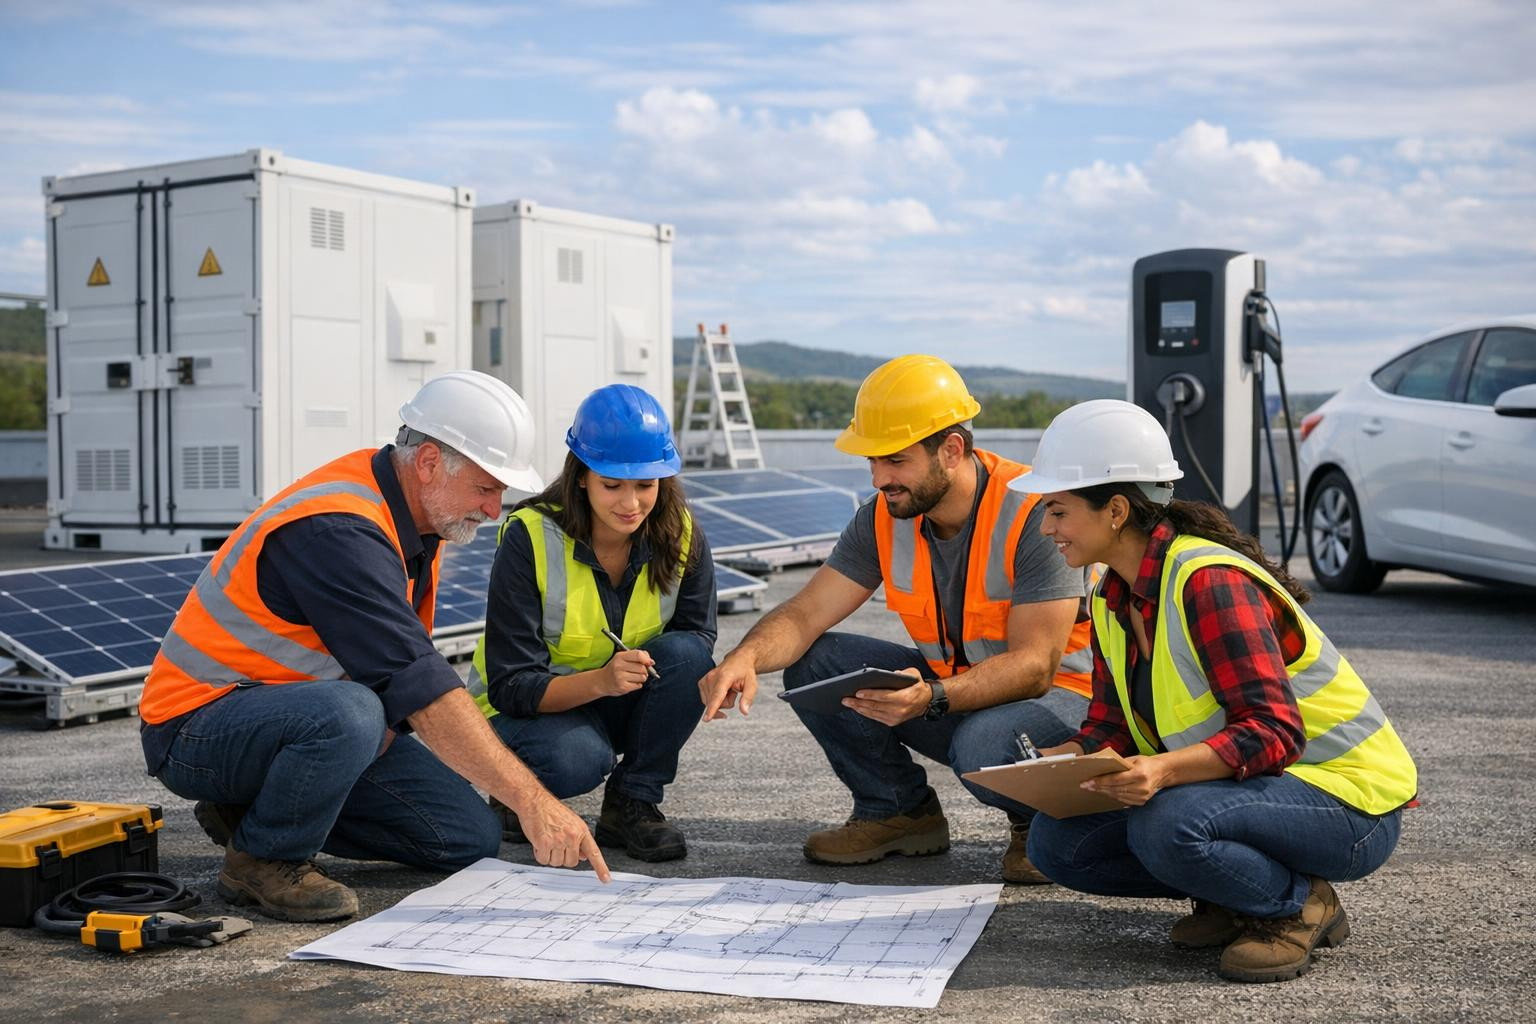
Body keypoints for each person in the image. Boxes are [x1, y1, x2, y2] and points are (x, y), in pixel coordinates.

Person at [138, 371, 611, 923]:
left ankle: (254, 810)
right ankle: (264, 858)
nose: (492, 509)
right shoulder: (339, 531)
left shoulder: (417, 518)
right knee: (354, 712)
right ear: (430, 462)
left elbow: (406, 673)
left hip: (304, 726)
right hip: (196, 729)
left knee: (467, 837)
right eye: (486, 487)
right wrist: (534, 804)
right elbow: (418, 683)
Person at [1015, 399, 1417, 983]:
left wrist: (1162, 772)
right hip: (1252, 794)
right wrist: (1062, 764)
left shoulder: (1208, 582)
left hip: (1348, 803)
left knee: (1165, 821)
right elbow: (1111, 727)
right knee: (1055, 843)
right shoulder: (1111, 595)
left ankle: (1297, 905)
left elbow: (1274, 733)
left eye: (1057, 510)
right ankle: (1231, 896)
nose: (1045, 527)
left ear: (1117, 510)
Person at [700, 354, 1096, 883]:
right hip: (958, 693)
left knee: (984, 742)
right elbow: (805, 612)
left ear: (951, 450)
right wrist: (744, 657)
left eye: (895, 460)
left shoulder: (1033, 511)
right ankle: (897, 812)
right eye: (872, 461)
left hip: (1066, 705)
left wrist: (931, 696)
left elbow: (1035, 667)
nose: (879, 477)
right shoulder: (886, 514)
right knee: (820, 662)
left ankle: (1039, 822)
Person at [468, 383, 716, 863]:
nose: (631, 503)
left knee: (689, 656)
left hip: (613, 697)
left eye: (646, 485)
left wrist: (696, 683)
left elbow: (696, 639)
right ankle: (511, 789)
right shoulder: (529, 538)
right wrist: (602, 681)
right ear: (581, 476)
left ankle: (633, 804)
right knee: (578, 760)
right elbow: (511, 686)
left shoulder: (683, 534)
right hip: (525, 712)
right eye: (612, 484)